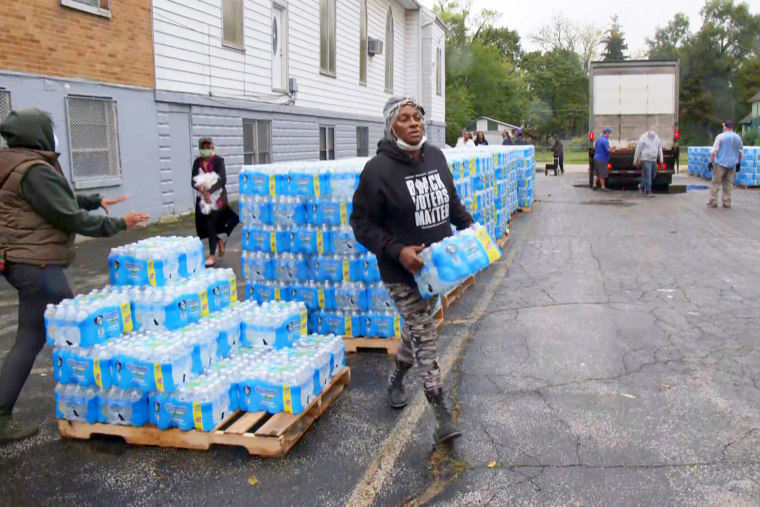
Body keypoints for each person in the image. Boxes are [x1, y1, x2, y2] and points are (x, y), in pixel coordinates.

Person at [0, 108, 150, 441]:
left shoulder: (18, 164)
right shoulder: (32, 170)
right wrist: (119, 224)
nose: (55, 136)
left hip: (25, 262)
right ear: (37, 133)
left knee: (54, 332)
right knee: (69, 333)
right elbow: (69, 216)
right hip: (36, 265)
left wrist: (96, 200)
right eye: (50, 129)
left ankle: (96, 394)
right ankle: (103, 397)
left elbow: (57, 199)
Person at [350, 96, 474, 444]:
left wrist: (471, 230)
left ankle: (395, 379)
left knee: (416, 333)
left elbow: (451, 203)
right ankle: (441, 415)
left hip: (437, 269)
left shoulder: (435, 157)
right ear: (392, 127)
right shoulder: (377, 171)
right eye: (404, 118)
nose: (414, 122)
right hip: (402, 274)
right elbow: (360, 223)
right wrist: (398, 250)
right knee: (425, 336)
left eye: (417, 116)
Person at [192, 137, 239, 267]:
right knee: (202, 227)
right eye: (203, 147)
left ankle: (212, 255)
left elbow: (222, 180)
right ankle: (220, 241)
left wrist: (210, 191)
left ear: (212, 147)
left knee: (210, 224)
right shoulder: (197, 162)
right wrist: (200, 188)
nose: (206, 150)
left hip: (217, 198)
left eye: (208, 147)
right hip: (202, 198)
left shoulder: (218, 161)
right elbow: (193, 180)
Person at [707, 121, 743, 208]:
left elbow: (715, 150)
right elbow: (740, 151)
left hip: (721, 163)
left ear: (725, 127)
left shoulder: (721, 136)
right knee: (728, 184)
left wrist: (710, 161)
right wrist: (738, 163)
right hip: (732, 164)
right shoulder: (738, 137)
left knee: (716, 182)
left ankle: (713, 201)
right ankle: (727, 202)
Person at [633, 125, 663, 197]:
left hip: (654, 159)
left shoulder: (656, 138)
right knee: (648, 175)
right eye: (651, 130)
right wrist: (635, 158)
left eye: (654, 130)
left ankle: (642, 185)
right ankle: (648, 191)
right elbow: (638, 149)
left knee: (653, 174)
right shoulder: (643, 138)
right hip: (645, 159)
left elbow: (659, 148)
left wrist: (661, 157)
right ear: (648, 131)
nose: (653, 132)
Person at [593, 126, 615, 191]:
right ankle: (603, 187)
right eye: (609, 133)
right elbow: (608, 149)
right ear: (606, 133)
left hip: (596, 158)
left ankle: (594, 185)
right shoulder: (605, 140)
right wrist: (613, 149)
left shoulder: (598, 139)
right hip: (602, 159)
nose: (609, 135)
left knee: (596, 173)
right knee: (602, 174)